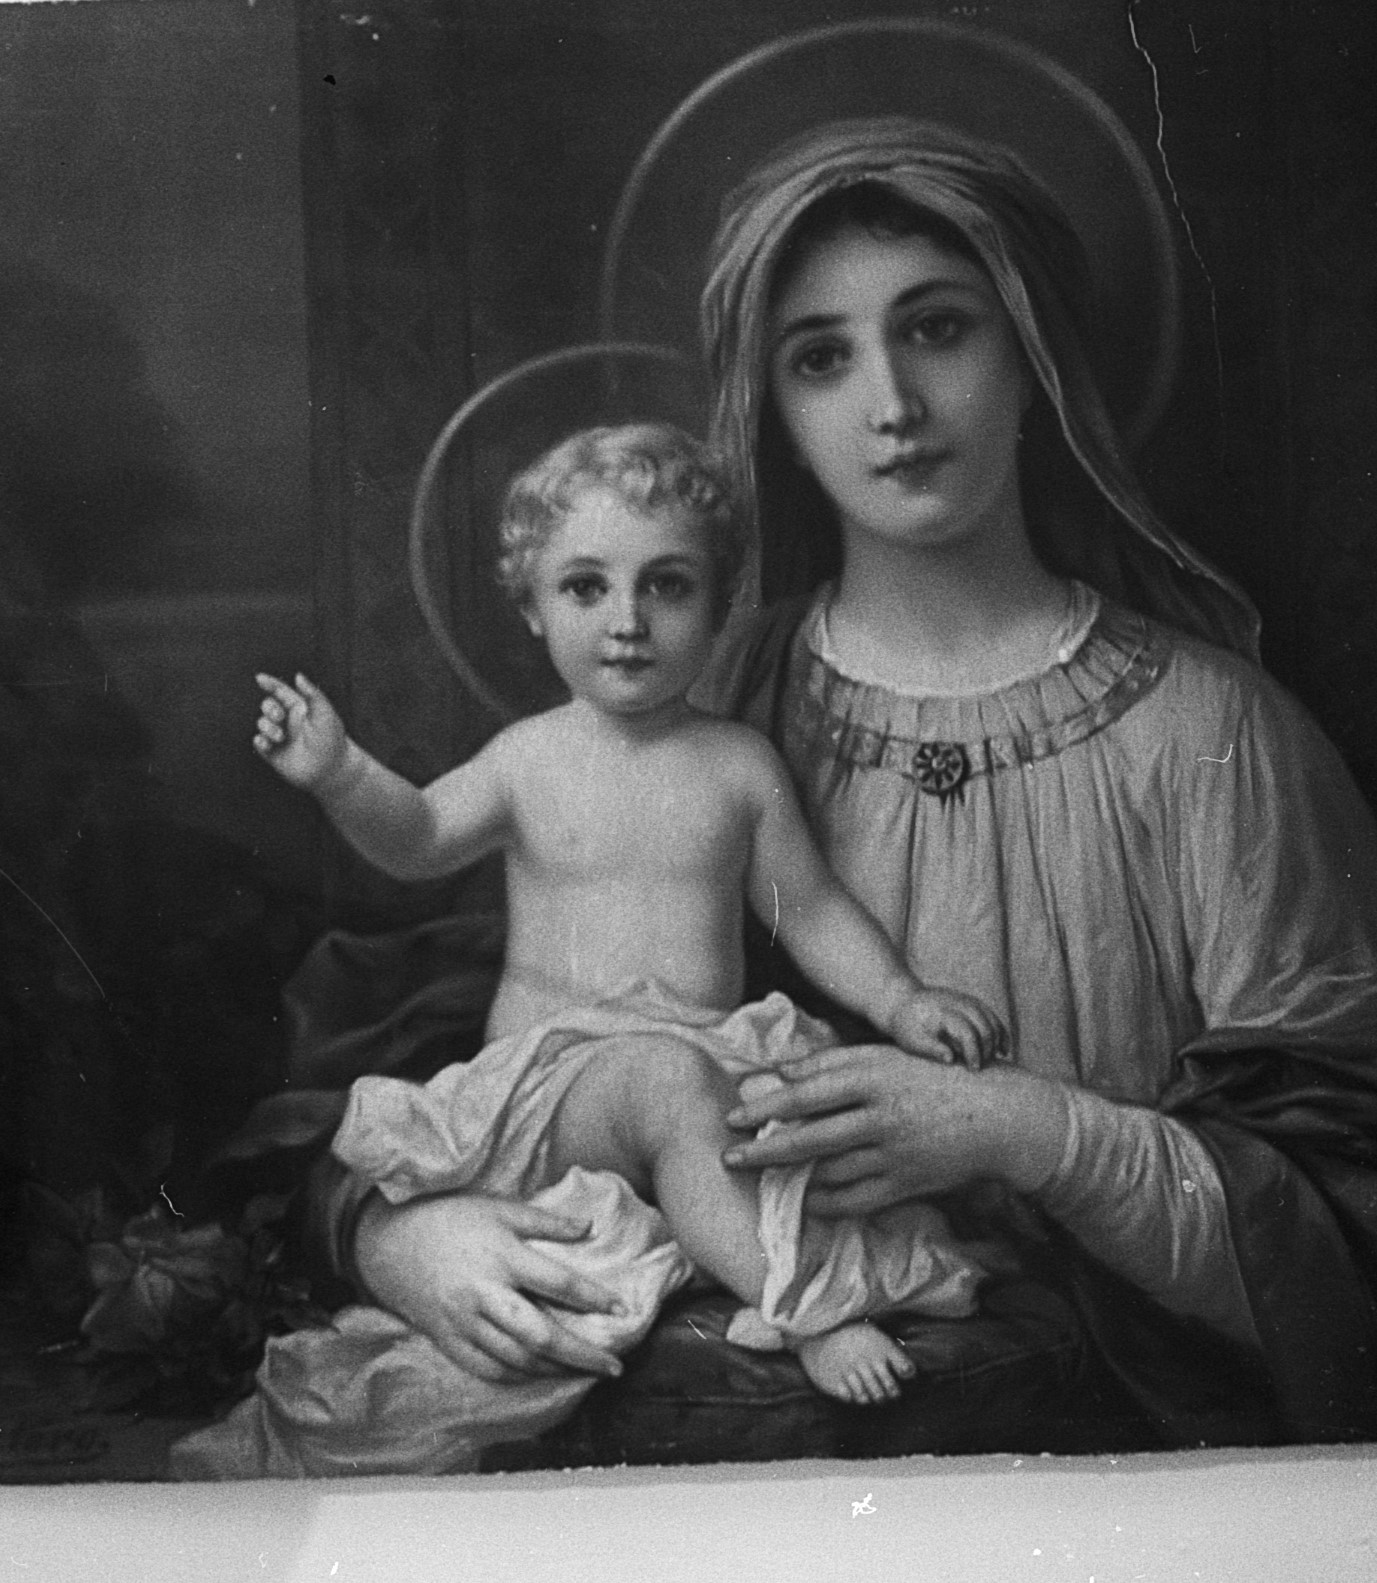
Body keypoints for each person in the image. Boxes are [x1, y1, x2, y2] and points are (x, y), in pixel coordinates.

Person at [321, 116, 1377, 1454]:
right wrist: (401, 1234)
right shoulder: (691, 707)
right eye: (822, 355)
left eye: (937, 328)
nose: (892, 402)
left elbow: (1342, 1233)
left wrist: (1034, 1132)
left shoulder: (1216, 735)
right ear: (772, 407)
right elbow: (464, 1055)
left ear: (1033, 355)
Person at [218, 425, 984, 1466]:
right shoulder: (528, 758)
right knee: (664, 1080)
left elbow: (807, 909)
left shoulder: (738, 764)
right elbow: (419, 838)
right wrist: (340, 771)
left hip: (705, 1072)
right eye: (586, 588)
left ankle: (731, 1238)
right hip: (551, 1101)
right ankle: (804, 1308)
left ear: (718, 605)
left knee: (819, 1137)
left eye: (667, 586)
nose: (627, 620)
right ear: (533, 606)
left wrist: (900, 1001)